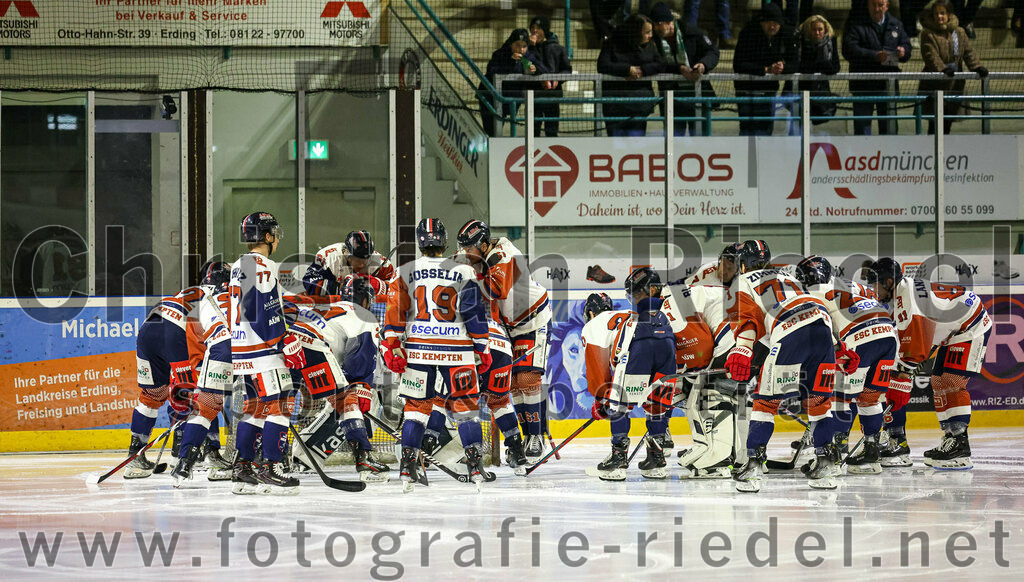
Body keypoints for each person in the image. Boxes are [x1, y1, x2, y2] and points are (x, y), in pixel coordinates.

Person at [382, 218, 493, 491]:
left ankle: (407, 467)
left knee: (416, 410)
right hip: (458, 352)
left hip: (419, 351)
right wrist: (483, 346)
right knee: (466, 410)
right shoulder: (464, 271)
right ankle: (475, 466)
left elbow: (395, 311)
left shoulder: (405, 271)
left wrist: (392, 343)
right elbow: (473, 313)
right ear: (444, 241)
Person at [726, 241, 839, 491]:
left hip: (788, 328)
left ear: (743, 264)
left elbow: (747, 319)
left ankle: (753, 468)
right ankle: (826, 465)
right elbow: (810, 308)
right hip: (822, 326)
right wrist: (838, 347)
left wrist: (742, 349)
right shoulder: (789, 276)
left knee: (765, 404)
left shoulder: (742, 280)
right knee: (819, 403)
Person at [866, 258, 992, 470]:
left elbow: (914, 349)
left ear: (888, 282)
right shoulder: (900, 293)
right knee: (938, 381)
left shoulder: (907, 299)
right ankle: (942, 439)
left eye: (876, 284)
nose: (874, 290)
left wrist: (903, 377)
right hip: (950, 328)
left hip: (971, 324)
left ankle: (960, 445)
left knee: (951, 382)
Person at [457, 220, 553, 463]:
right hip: (510, 326)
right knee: (512, 384)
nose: (465, 253)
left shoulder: (504, 254)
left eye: (469, 248)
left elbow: (495, 289)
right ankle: (526, 436)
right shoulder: (481, 256)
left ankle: (536, 435)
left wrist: (464, 279)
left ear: (484, 245)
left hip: (534, 320)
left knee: (528, 379)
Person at [794, 256, 899, 475]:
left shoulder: (808, 294)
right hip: (888, 334)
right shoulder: (854, 285)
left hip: (858, 336)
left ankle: (836, 455)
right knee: (870, 397)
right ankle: (871, 453)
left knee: (839, 397)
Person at [229, 212, 306, 495]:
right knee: (281, 405)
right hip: (263, 349)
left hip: (242, 349)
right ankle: (271, 467)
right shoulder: (264, 265)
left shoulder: (238, 264)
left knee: (255, 409)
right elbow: (261, 308)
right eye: (274, 234)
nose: (277, 240)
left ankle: (243, 467)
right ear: (268, 236)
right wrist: (283, 340)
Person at [125, 267, 226, 479]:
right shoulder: (215, 298)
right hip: (175, 331)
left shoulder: (189, 290)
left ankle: (135, 457)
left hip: (148, 327)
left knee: (153, 395)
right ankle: (204, 454)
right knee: (200, 393)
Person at [285, 278, 389, 482]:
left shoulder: (330, 307)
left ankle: (267, 459)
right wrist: (360, 385)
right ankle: (364, 457)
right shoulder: (364, 315)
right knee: (346, 400)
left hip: (287, 346)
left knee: (277, 406)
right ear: (366, 301)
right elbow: (360, 359)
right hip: (313, 347)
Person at [585, 270, 678, 480]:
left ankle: (618, 459)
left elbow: (597, 368)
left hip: (638, 345)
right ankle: (656, 459)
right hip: (667, 341)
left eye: (635, 295)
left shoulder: (593, 325)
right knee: (656, 404)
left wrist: (602, 398)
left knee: (619, 405)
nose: (633, 300)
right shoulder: (660, 312)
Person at [661, 281, 742, 478]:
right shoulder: (703, 291)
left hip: (733, 341)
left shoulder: (672, 299)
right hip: (753, 337)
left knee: (710, 395)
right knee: (729, 397)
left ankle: (718, 459)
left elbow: (701, 347)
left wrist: (686, 375)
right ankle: (738, 455)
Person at [168, 262, 236, 485]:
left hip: (205, 356)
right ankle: (249, 459)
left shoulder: (196, 298)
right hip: (240, 354)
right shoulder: (236, 295)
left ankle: (184, 460)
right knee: (256, 406)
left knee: (203, 408)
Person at [842, 0, 913, 136]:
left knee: (889, 129)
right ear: (867, 4)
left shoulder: (896, 24)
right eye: (873, 4)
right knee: (862, 129)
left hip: (887, 85)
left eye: (880, 5)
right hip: (863, 85)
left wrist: (903, 51)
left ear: (887, 6)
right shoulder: (855, 24)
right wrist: (874, 55)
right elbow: (848, 49)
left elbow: (906, 45)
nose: (876, 9)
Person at [649, 2, 720, 136]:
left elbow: (713, 52)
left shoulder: (693, 33)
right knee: (673, 139)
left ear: (669, 22)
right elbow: (656, 64)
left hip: (698, 94)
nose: (655, 28)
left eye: (658, 24)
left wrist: (703, 65)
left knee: (701, 139)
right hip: (671, 99)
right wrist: (680, 69)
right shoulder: (652, 40)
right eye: (654, 24)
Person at [918, 0, 988, 135]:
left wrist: (977, 67)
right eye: (936, 14)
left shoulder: (959, 32)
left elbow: (968, 53)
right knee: (934, 124)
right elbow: (930, 56)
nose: (939, 16)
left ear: (949, 14)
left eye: (942, 13)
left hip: (955, 85)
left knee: (948, 122)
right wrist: (943, 69)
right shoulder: (927, 34)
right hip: (934, 85)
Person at [732, 4, 799, 136]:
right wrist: (765, 69)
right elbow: (738, 64)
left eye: (775, 23)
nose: (772, 27)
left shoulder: (787, 35)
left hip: (769, 91)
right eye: (768, 23)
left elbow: (796, 63)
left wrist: (783, 68)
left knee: (766, 129)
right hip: (745, 90)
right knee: (746, 129)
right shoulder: (747, 33)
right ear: (761, 22)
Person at [597, 14, 663, 136]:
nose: (650, 35)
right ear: (635, 32)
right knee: (615, 143)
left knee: (636, 144)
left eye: (651, 32)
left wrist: (642, 70)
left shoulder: (651, 45)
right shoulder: (612, 44)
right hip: (615, 106)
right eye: (647, 32)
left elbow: (660, 64)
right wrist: (627, 70)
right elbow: (602, 65)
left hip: (639, 105)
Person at [478, 29, 551, 137]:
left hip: (510, 99)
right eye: (517, 45)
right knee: (491, 131)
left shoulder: (528, 56)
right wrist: (510, 62)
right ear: (511, 44)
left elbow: (544, 69)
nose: (521, 49)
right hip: (490, 97)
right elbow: (492, 71)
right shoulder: (500, 54)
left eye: (524, 46)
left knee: (500, 128)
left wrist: (536, 69)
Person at [302, 229, 396, 302]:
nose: (362, 264)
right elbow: (309, 282)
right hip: (332, 307)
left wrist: (380, 285)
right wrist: (344, 288)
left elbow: (396, 288)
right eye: (358, 260)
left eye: (366, 259)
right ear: (347, 253)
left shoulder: (380, 263)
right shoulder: (328, 257)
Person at [528, 16, 573, 137]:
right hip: (533, 95)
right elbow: (528, 65)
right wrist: (531, 47)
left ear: (545, 30)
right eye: (532, 27)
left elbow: (567, 70)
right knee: (532, 132)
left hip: (552, 95)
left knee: (552, 130)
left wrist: (558, 78)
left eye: (538, 28)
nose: (534, 31)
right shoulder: (527, 48)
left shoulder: (558, 48)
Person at [793, 14, 841, 126]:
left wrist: (816, 65)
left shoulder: (830, 41)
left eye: (820, 29)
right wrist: (820, 65)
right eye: (814, 30)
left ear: (825, 30)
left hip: (820, 90)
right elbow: (798, 66)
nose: (817, 33)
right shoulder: (800, 40)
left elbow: (835, 67)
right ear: (808, 30)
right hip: (800, 90)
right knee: (797, 126)